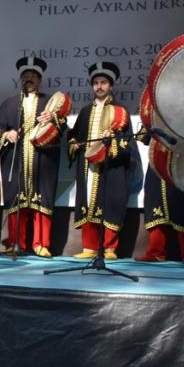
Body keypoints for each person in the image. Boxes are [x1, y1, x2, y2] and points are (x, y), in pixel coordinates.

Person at [0, 56, 65, 257]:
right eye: (25, 76)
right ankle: (16, 243)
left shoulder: (49, 102)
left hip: (43, 159)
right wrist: (7, 134)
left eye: (33, 76)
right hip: (16, 159)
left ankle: (42, 244)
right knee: (17, 201)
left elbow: (63, 127)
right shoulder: (9, 103)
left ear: (40, 80)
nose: (29, 79)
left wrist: (54, 118)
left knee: (42, 200)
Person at [67, 62, 132, 259]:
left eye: (103, 82)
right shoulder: (86, 111)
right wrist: (75, 146)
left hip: (110, 167)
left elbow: (127, 144)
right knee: (88, 203)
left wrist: (111, 143)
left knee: (110, 203)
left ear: (111, 85)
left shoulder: (121, 112)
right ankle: (89, 248)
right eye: (96, 83)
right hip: (88, 168)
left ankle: (110, 248)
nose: (99, 86)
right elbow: (73, 137)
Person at [135, 89, 184, 264]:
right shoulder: (154, 109)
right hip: (156, 160)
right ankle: (155, 251)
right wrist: (148, 125)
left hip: (181, 161)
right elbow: (143, 138)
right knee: (155, 202)